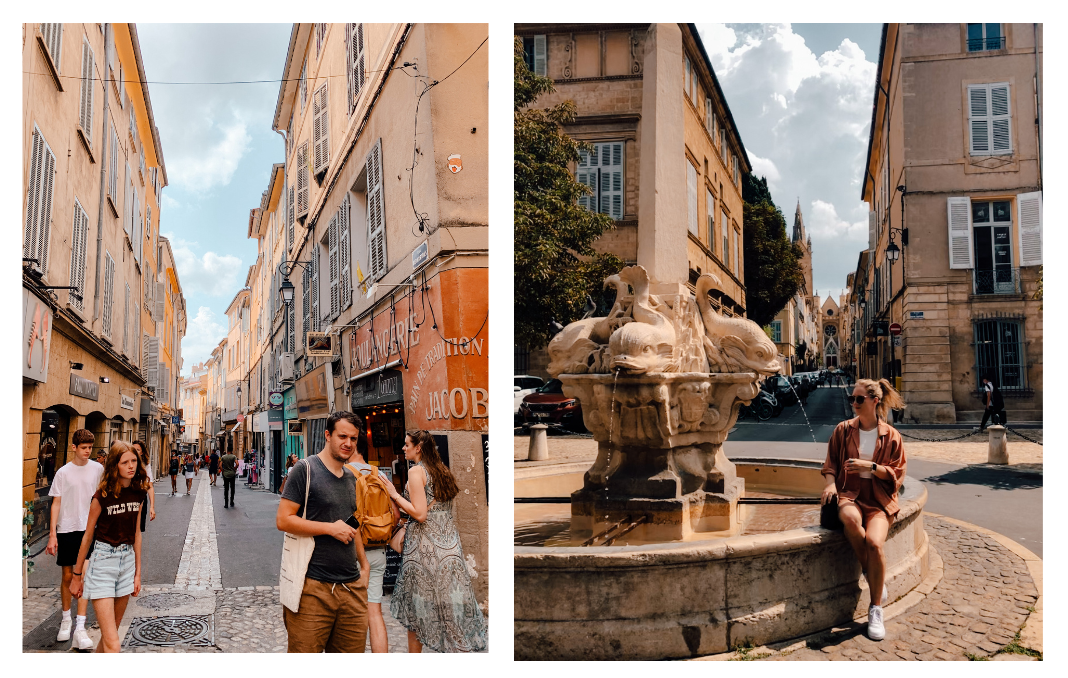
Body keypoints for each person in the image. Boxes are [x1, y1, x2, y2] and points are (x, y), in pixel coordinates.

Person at [276, 411, 370, 653]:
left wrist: (365, 566)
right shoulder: (305, 470)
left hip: (352, 589)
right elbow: (283, 520)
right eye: (342, 436)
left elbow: (352, 522)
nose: (348, 443)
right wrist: (329, 529)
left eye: (354, 438)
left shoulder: (351, 477)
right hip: (313, 588)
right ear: (328, 435)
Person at [821, 378, 907, 642]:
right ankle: (874, 578)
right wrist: (832, 486)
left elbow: (898, 474)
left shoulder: (891, 435)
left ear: (874, 401)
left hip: (879, 500)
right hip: (851, 495)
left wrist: (869, 467)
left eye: (859, 399)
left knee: (874, 543)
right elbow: (830, 465)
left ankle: (875, 609)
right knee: (848, 518)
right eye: (852, 399)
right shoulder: (843, 430)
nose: (854, 404)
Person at [387, 430, 488, 653]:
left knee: (417, 610)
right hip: (449, 547)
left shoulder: (416, 472)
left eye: (406, 445)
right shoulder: (441, 470)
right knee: (452, 611)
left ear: (418, 447)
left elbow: (420, 514)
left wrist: (394, 494)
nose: (403, 448)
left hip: (425, 549)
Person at [68, 441, 149, 653]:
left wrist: (138, 573)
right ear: (115, 465)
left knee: (108, 637)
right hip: (103, 562)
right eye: (125, 462)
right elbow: (87, 537)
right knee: (114, 644)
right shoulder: (101, 497)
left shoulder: (139, 493)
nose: (131, 466)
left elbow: (136, 535)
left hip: (127, 562)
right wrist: (77, 575)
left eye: (134, 461)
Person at [45, 429, 105, 651]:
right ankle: (66, 618)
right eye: (84, 448)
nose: (88, 451)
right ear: (74, 447)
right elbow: (56, 504)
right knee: (68, 575)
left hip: (89, 529)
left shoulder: (98, 469)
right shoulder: (63, 472)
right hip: (67, 528)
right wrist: (52, 534)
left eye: (90, 447)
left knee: (84, 575)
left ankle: (80, 627)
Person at [346, 429, 399, 653]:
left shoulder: (345, 473)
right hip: (378, 551)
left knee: (348, 617)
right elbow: (396, 515)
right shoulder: (379, 474)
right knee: (374, 613)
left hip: (353, 553)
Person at [131, 441, 156, 537]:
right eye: (133, 449)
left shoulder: (145, 465)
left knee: (138, 529)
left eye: (138, 450)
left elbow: (149, 486)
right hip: (127, 496)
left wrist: (152, 507)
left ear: (142, 452)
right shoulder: (126, 462)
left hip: (140, 497)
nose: (135, 452)